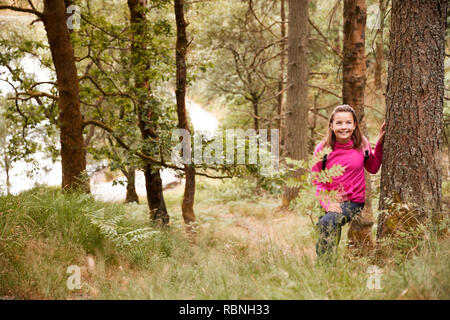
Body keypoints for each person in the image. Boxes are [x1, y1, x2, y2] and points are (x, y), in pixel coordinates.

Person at [311, 104, 385, 258]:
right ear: (331, 126)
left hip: (353, 201)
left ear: (355, 125)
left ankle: (324, 267)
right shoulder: (322, 149)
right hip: (329, 200)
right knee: (330, 226)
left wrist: (379, 143)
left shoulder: (361, 143)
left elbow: (372, 167)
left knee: (327, 222)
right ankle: (327, 268)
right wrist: (328, 203)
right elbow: (317, 180)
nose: (343, 127)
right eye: (339, 123)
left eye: (348, 122)